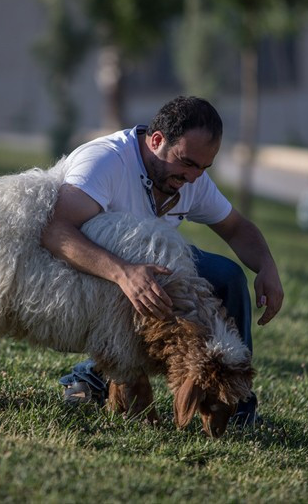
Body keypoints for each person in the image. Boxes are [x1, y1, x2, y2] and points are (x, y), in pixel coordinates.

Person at [42, 96, 284, 427]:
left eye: (204, 168)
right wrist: (123, 273)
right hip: (88, 271)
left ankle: (234, 399)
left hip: (149, 269)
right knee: (144, 291)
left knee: (228, 277)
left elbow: (237, 228)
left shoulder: (188, 177)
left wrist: (267, 266)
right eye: (187, 163)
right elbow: (56, 231)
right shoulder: (105, 162)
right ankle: (87, 380)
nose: (195, 177)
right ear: (156, 141)